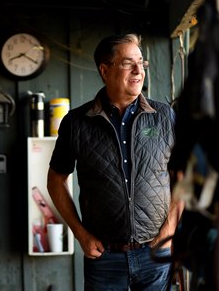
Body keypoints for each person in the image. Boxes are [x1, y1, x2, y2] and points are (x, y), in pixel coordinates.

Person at [47, 33, 183, 290]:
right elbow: (55, 180)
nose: (138, 70)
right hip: (104, 258)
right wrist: (80, 233)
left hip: (156, 253)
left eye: (141, 62)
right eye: (127, 63)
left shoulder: (165, 117)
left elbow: (183, 176)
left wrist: (169, 229)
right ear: (104, 70)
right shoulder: (76, 123)